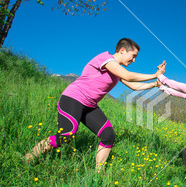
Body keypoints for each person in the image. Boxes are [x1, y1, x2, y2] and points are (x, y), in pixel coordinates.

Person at [25, 38, 166, 172]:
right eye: (133, 56)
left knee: (108, 135)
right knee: (66, 135)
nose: (134, 60)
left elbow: (134, 86)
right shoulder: (105, 59)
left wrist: (155, 84)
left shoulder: (117, 71)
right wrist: (155, 74)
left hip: (89, 105)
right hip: (73, 99)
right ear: (122, 50)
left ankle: (99, 173)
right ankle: (27, 159)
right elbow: (128, 76)